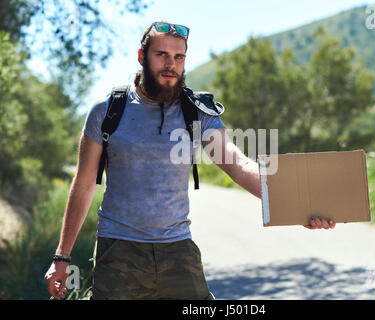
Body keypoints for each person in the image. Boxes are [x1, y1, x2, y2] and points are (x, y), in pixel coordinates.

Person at [44, 21, 336, 300]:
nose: (171, 64)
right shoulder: (107, 111)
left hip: (177, 250)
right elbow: (83, 185)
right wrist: (62, 256)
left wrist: (300, 207)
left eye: (178, 57)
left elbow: (240, 165)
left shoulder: (196, 113)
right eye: (162, 55)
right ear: (141, 56)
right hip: (119, 251)